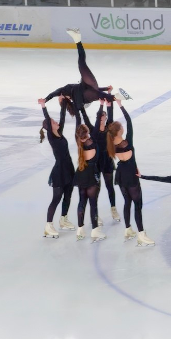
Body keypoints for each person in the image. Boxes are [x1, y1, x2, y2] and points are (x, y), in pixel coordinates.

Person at [107, 100, 154, 245]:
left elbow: (112, 125)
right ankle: (141, 235)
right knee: (137, 205)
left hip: (121, 174)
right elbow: (129, 120)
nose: (123, 127)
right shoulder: (128, 141)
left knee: (127, 202)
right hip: (131, 175)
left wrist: (110, 106)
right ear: (119, 131)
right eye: (121, 127)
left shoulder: (111, 143)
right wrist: (120, 105)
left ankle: (128, 229)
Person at [44, 30, 121, 116]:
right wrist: (105, 89)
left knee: (82, 64)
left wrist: (45, 100)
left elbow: (53, 94)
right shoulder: (75, 100)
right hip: (87, 96)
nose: (58, 97)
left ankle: (77, 39)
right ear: (64, 100)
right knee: (97, 95)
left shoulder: (64, 91)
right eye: (59, 100)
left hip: (86, 86)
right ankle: (118, 97)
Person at [38, 97, 76, 238]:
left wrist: (64, 103)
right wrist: (43, 106)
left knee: (68, 195)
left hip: (69, 168)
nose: (56, 122)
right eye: (53, 122)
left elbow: (62, 116)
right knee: (57, 198)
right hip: (59, 171)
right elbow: (47, 118)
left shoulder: (59, 132)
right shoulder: (51, 136)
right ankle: (48, 226)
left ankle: (63, 220)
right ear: (49, 126)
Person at [72, 105, 104, 241]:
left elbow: (79, 124)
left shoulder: (78, 142)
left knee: (82, 202)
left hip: (80, 173)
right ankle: (95, 231)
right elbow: (96, 124)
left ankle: (80, 229)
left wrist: (77, 109)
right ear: (87, 133)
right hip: (92, 175)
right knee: (93, 204)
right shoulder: (93, 141)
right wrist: (101, 105)